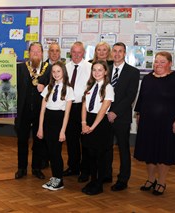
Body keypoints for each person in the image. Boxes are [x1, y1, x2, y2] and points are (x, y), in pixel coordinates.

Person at [134, 51, 175, 196]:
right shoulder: (147, 78)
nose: (158, 64)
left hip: (167, 124)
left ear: (170, 63)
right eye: (156, 61)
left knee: (164, 152)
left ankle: (161, 181)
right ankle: (151, 179)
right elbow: (141, 99)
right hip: (147, 122)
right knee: (149, 152)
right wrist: (138, 115)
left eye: (162, 62)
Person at [105, 42, 140, 191]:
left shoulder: (133, 72)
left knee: (123, 149)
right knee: (106, 147)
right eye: (115, 51)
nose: (117, 54)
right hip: (105, 116)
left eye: (120, 51)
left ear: (125, 53)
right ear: (112, 53)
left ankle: (123, 179)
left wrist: (115, 112)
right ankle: (106, 174)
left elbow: (130, 96)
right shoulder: (106, 69)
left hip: (122, 117)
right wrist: (106, 112)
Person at [37, 61, 74, 191]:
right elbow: (42, 110)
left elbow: (67, 113)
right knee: (51, 152)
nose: (56, 74)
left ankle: (59, 180)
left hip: (59, 122)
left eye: (58, 71)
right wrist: (40, 127)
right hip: (47, 121)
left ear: (63, 72)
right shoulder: (48, 88)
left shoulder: (69, 89)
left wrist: (63, 131)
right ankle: (54, 177)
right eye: (53, 72)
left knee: (56, 152)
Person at [15, 42, 50, 180]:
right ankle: (21, 168)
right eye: (33, 51)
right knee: (22, 140)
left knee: (39, 140)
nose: (35, 53)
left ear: (42, 54)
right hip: (23, 111)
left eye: (38, 51)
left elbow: (54, 87)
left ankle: (36, 168)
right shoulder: (21, 68)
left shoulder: (49, 69)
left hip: (40, 112)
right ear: (28, 53)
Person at [80, 60, 114, 195]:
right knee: (90, 154)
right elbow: (84, 105)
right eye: (94, 70)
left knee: (100, 155)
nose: (97, 72)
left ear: (105, 72)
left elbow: (103, 109)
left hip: (100, 124)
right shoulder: (90, 86)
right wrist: (83, 123)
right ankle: (92, 180)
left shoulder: (108, 88)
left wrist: (92, 127)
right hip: (87, 121)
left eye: (100, 70)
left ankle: (99, 184)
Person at [63, 41, 92, 183]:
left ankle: (85, 170)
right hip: (69, 107)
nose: (76, 55)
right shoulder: (65, 68)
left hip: (83, 107)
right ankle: (73, 167)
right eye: (73, 52)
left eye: (79, 52)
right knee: (71, 139)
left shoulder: (90, 67)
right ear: (70, 53)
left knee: (85, 140)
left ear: (84, 53)